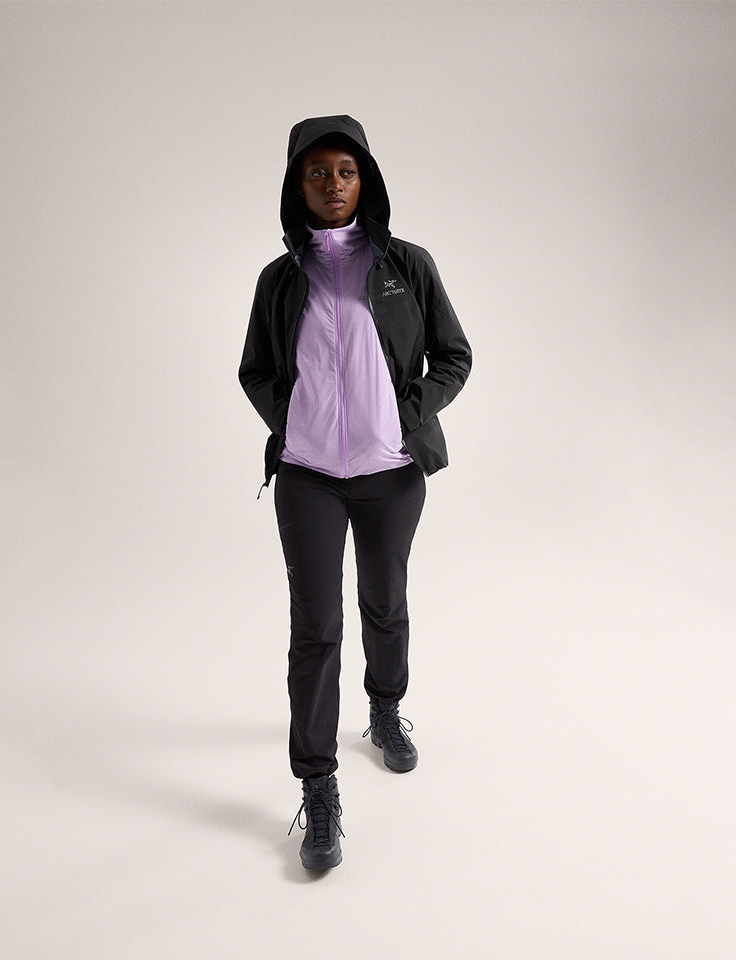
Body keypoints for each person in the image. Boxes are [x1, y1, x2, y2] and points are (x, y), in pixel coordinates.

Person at [238, 115, 472, 870]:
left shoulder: (407, 264)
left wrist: (406, 416)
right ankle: (318, 785)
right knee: (316, 629)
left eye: (345, 170)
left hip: (391, 474)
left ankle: (385, 706)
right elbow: (254, 370)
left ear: (364, 179)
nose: (333, 184)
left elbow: (454, 356)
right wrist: (293, 419)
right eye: (317, 173)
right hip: (308, 477)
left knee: (385, 600)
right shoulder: (280, 279)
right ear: (296, 185)